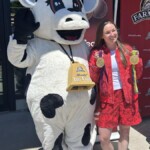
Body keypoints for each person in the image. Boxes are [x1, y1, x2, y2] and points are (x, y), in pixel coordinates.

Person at [88, 20, 143, 150]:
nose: (112, 34)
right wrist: (96, 64)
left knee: (124, 133)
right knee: (104, 137)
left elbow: (137, 75)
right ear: (102, 36)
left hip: (126, 97)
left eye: (113, 30)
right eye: (107, 32)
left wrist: (138, 62)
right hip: (108, 99)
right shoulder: (97, 52)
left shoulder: (127, 49)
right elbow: (93, 78)